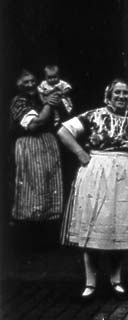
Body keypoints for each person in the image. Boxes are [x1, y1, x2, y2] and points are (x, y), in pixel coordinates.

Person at [57, 79, 128, 300]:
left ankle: (116, 279)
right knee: (95, 226)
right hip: (98, 173)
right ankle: (90, 282)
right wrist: (81, 154)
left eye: (125, 93)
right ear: (108, 95)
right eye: (117, 93)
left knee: (120, 228)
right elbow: (63, 131)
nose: (121, 97)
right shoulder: (94, 115)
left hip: (127, 176)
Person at [9, 70, 64, 242]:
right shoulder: (19, 101)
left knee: (49, 188)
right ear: (19, 85)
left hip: (48, 145)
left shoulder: (42, 95)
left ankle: (46, 238)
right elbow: (34, 124)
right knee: (31, 190)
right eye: (26, 82)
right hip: (29, 146)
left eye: (33, 80)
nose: (31, 84)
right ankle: (28, 239)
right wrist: (48, 104)